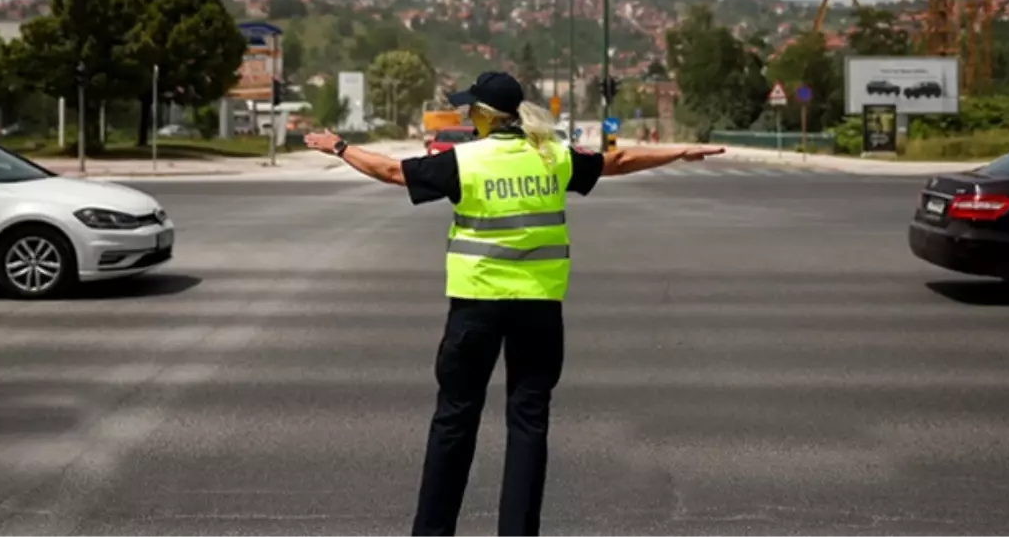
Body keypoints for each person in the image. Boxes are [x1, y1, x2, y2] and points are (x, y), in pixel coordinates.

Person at [304, 71, 724, 537]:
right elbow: (618, 159)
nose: (468, 116)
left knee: (455, 420)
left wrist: (338, 147)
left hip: (476, 306)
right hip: (539, 308)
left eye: (472, 110)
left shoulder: (464, 160)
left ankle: (432, 531)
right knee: (528, 423)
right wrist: (681, 151)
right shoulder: (552, 156)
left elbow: (389, 171)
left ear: (484, 115)